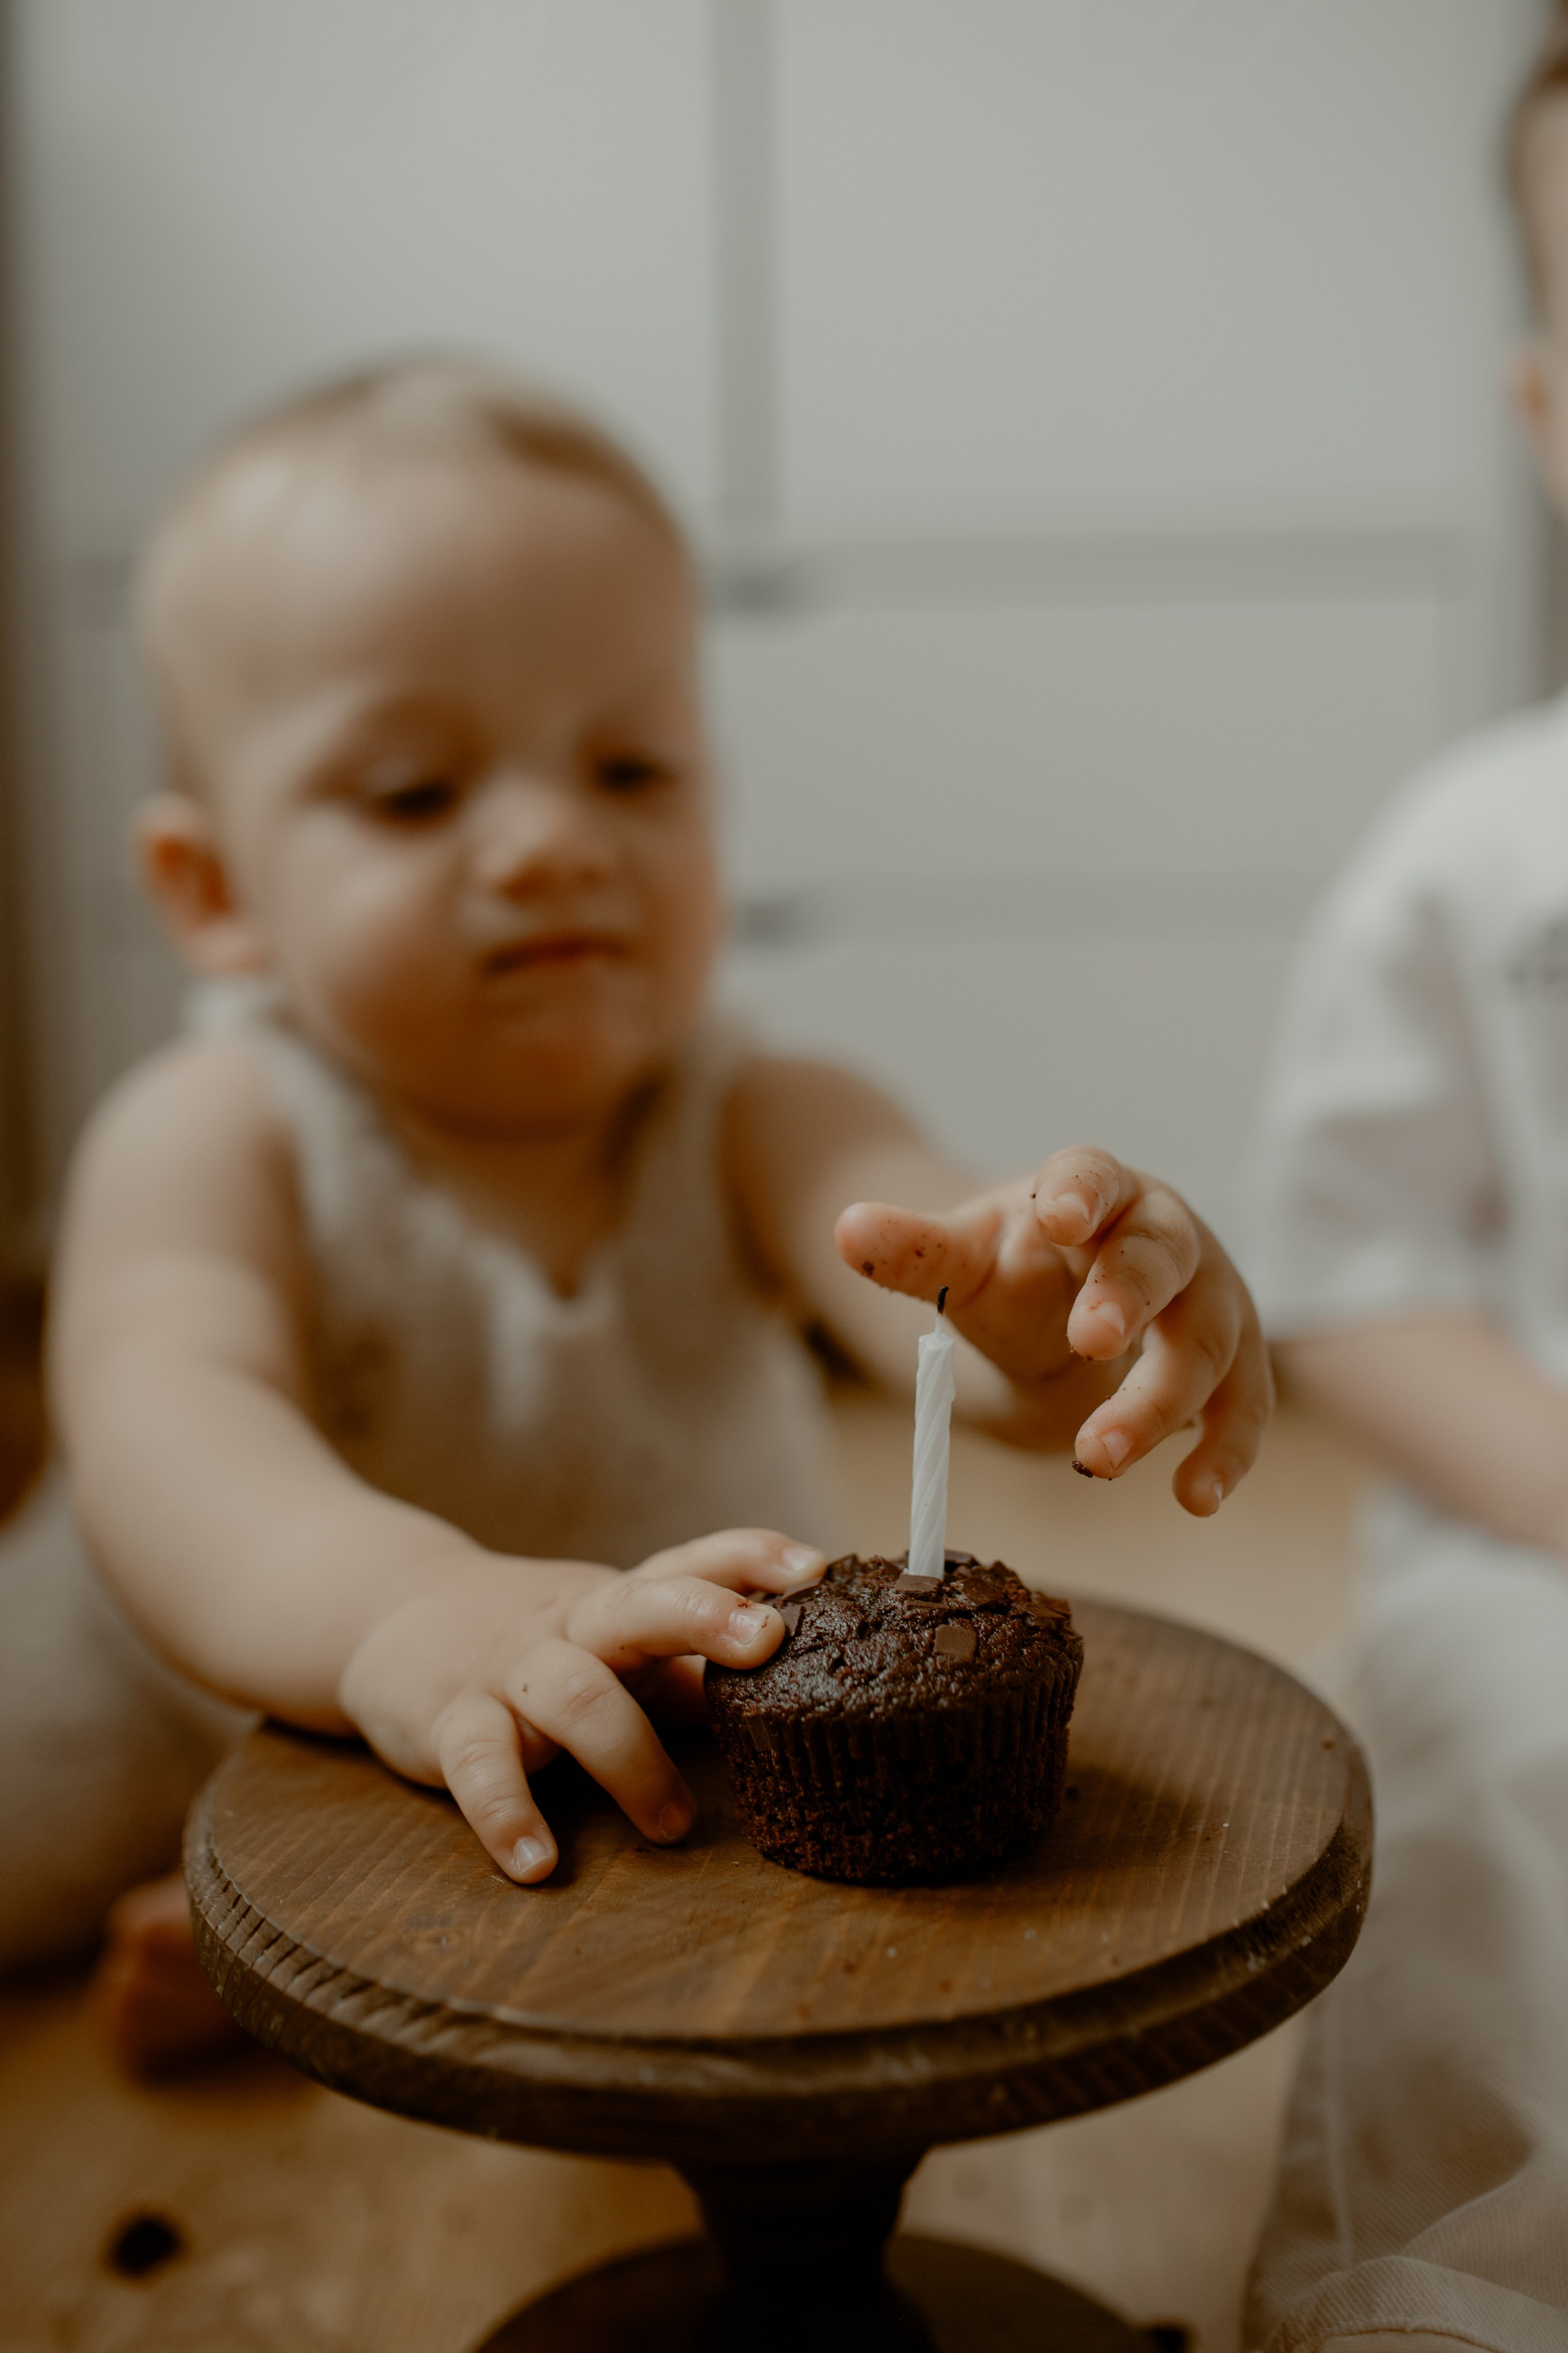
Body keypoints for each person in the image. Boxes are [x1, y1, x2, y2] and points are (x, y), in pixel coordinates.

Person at [4, 358, 1267, 2066]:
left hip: (615, 1735)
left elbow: (923, 1282)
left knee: (635, 1907)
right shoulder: (210, 1125)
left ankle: (294, 1932)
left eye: (631, 770)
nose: (550, 842)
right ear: (215, 890)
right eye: (416, 794)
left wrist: (1052, 1313)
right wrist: (403, 1615)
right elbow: (171, 1429)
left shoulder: (753, 1106)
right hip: (182, 1699)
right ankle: (249, 1889)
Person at [1243, 22, 1568, 2350]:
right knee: (1492, 1826)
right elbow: (1352, 1282)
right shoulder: (1479, 852)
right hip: (1547, 1526)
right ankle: (1463, 2289)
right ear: (1554, 423)